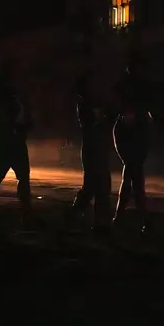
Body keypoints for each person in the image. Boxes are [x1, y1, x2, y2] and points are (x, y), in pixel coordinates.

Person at [112, 53, 164, 234]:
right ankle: (138, 218)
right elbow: (150, 110)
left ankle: (124, 217)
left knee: (132, 173)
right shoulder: (130, 85)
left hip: (133, 132)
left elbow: (150, 109)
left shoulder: (129, 85)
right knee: (134, 174)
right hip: (131, 132)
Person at [0, 58, 35, 226]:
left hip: (11, 134)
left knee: (18, 175)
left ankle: (26, 212)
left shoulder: (14, 90)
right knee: (4, 175)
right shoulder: (5, 90)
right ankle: (24, 212)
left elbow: (23, 112)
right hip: (6, 133)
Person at [66, 69, 113, 234]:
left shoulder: (91, 101)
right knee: (96, 186)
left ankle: (96, 222)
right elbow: (94, 123)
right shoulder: (86, 103)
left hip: (97, 146)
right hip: (93, 147)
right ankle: (98, 223)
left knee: (97, 186)